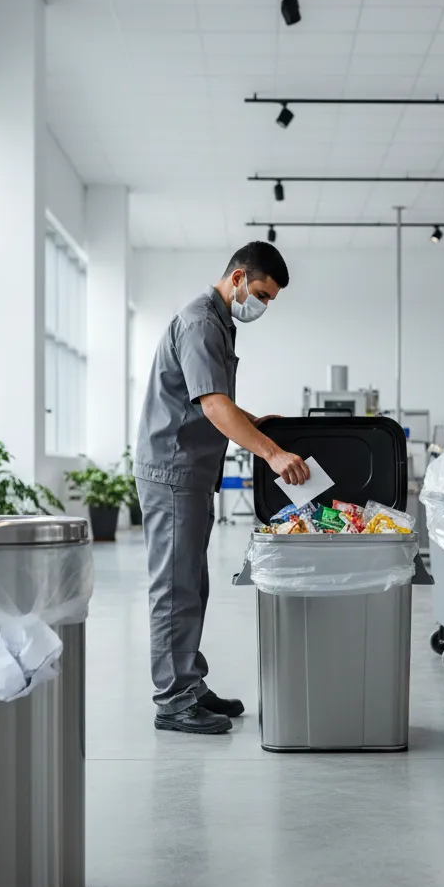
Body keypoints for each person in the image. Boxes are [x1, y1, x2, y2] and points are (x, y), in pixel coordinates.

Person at [134, 241, 310, 735]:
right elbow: (212, 406)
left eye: (270, 299)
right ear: (236, 278)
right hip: (173, 471)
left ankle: (189, 682)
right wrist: (271, 453)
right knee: (174, 589)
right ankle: (173, 700)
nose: (262, 305)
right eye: (260, 293)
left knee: (191, 584)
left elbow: (210, 401)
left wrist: (259, 426)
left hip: (188, 472)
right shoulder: (200, 322)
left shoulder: (216, 321)